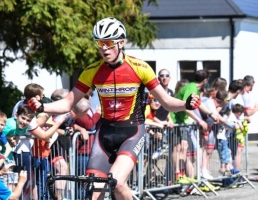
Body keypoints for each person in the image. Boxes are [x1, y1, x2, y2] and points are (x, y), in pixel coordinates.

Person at [28, 17, 202, 200]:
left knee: (117, 184)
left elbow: (166, 101)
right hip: (104, 133)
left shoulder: (140, 68)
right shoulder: (92, 71)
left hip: (132, 131)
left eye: (108, 42)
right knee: (94, 191)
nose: (103, 48)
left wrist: (186, 104)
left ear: (121, 42)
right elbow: (68, 102)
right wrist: (43, 107)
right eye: (99, 43)